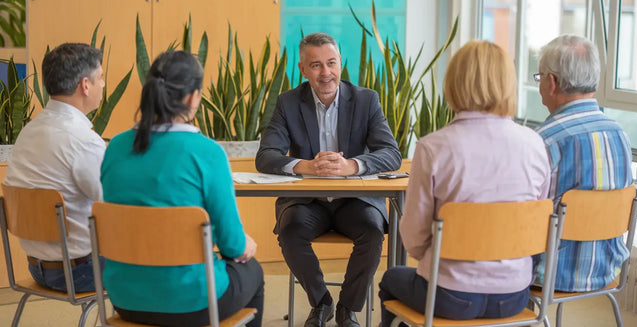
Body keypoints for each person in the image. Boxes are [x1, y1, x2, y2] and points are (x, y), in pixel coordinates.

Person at [379, 41, 551, 325]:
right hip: (513, 295)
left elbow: (413, 236)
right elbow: (537, 221)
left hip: (448, 294)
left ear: (453, 83)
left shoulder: (433, 147)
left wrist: (438, 259)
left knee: (390, 278)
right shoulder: (534, 143)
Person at [100, 50, 264, 327]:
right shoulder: (207, 152)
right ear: (193, 97)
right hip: (192, 300)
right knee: (253, 271)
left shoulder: (115, 147)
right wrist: (245, 244)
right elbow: (232, 245)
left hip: (125, 298)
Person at [255, 32, 402, 327]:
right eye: (316, 65)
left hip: (354, 200)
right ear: (303, 70)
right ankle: (321, 302)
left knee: (373, 232)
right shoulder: (288, 102)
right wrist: (305, 166)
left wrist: (352, 165)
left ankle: (348, 307)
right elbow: (266, 156)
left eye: (331, 63)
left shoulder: (366, 99)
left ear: (340, 63)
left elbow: (391, 154)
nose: (326, 73)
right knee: (290, 230)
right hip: (308, 202)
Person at [533, 34, 633, 292]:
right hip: (608, 270)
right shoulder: (621, 135)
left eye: (539, 76)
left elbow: (524, 215)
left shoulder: (545, 141)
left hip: (548, 274)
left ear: (552, 82)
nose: (539, 84)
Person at [4, 43, 106, 293]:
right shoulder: (82, 140)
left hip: (38, 269)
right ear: (85, 85)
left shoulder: (28, 131)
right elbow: (115, 200)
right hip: (81, 272)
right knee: (162, 255)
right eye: (101, 78)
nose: (103, 85)